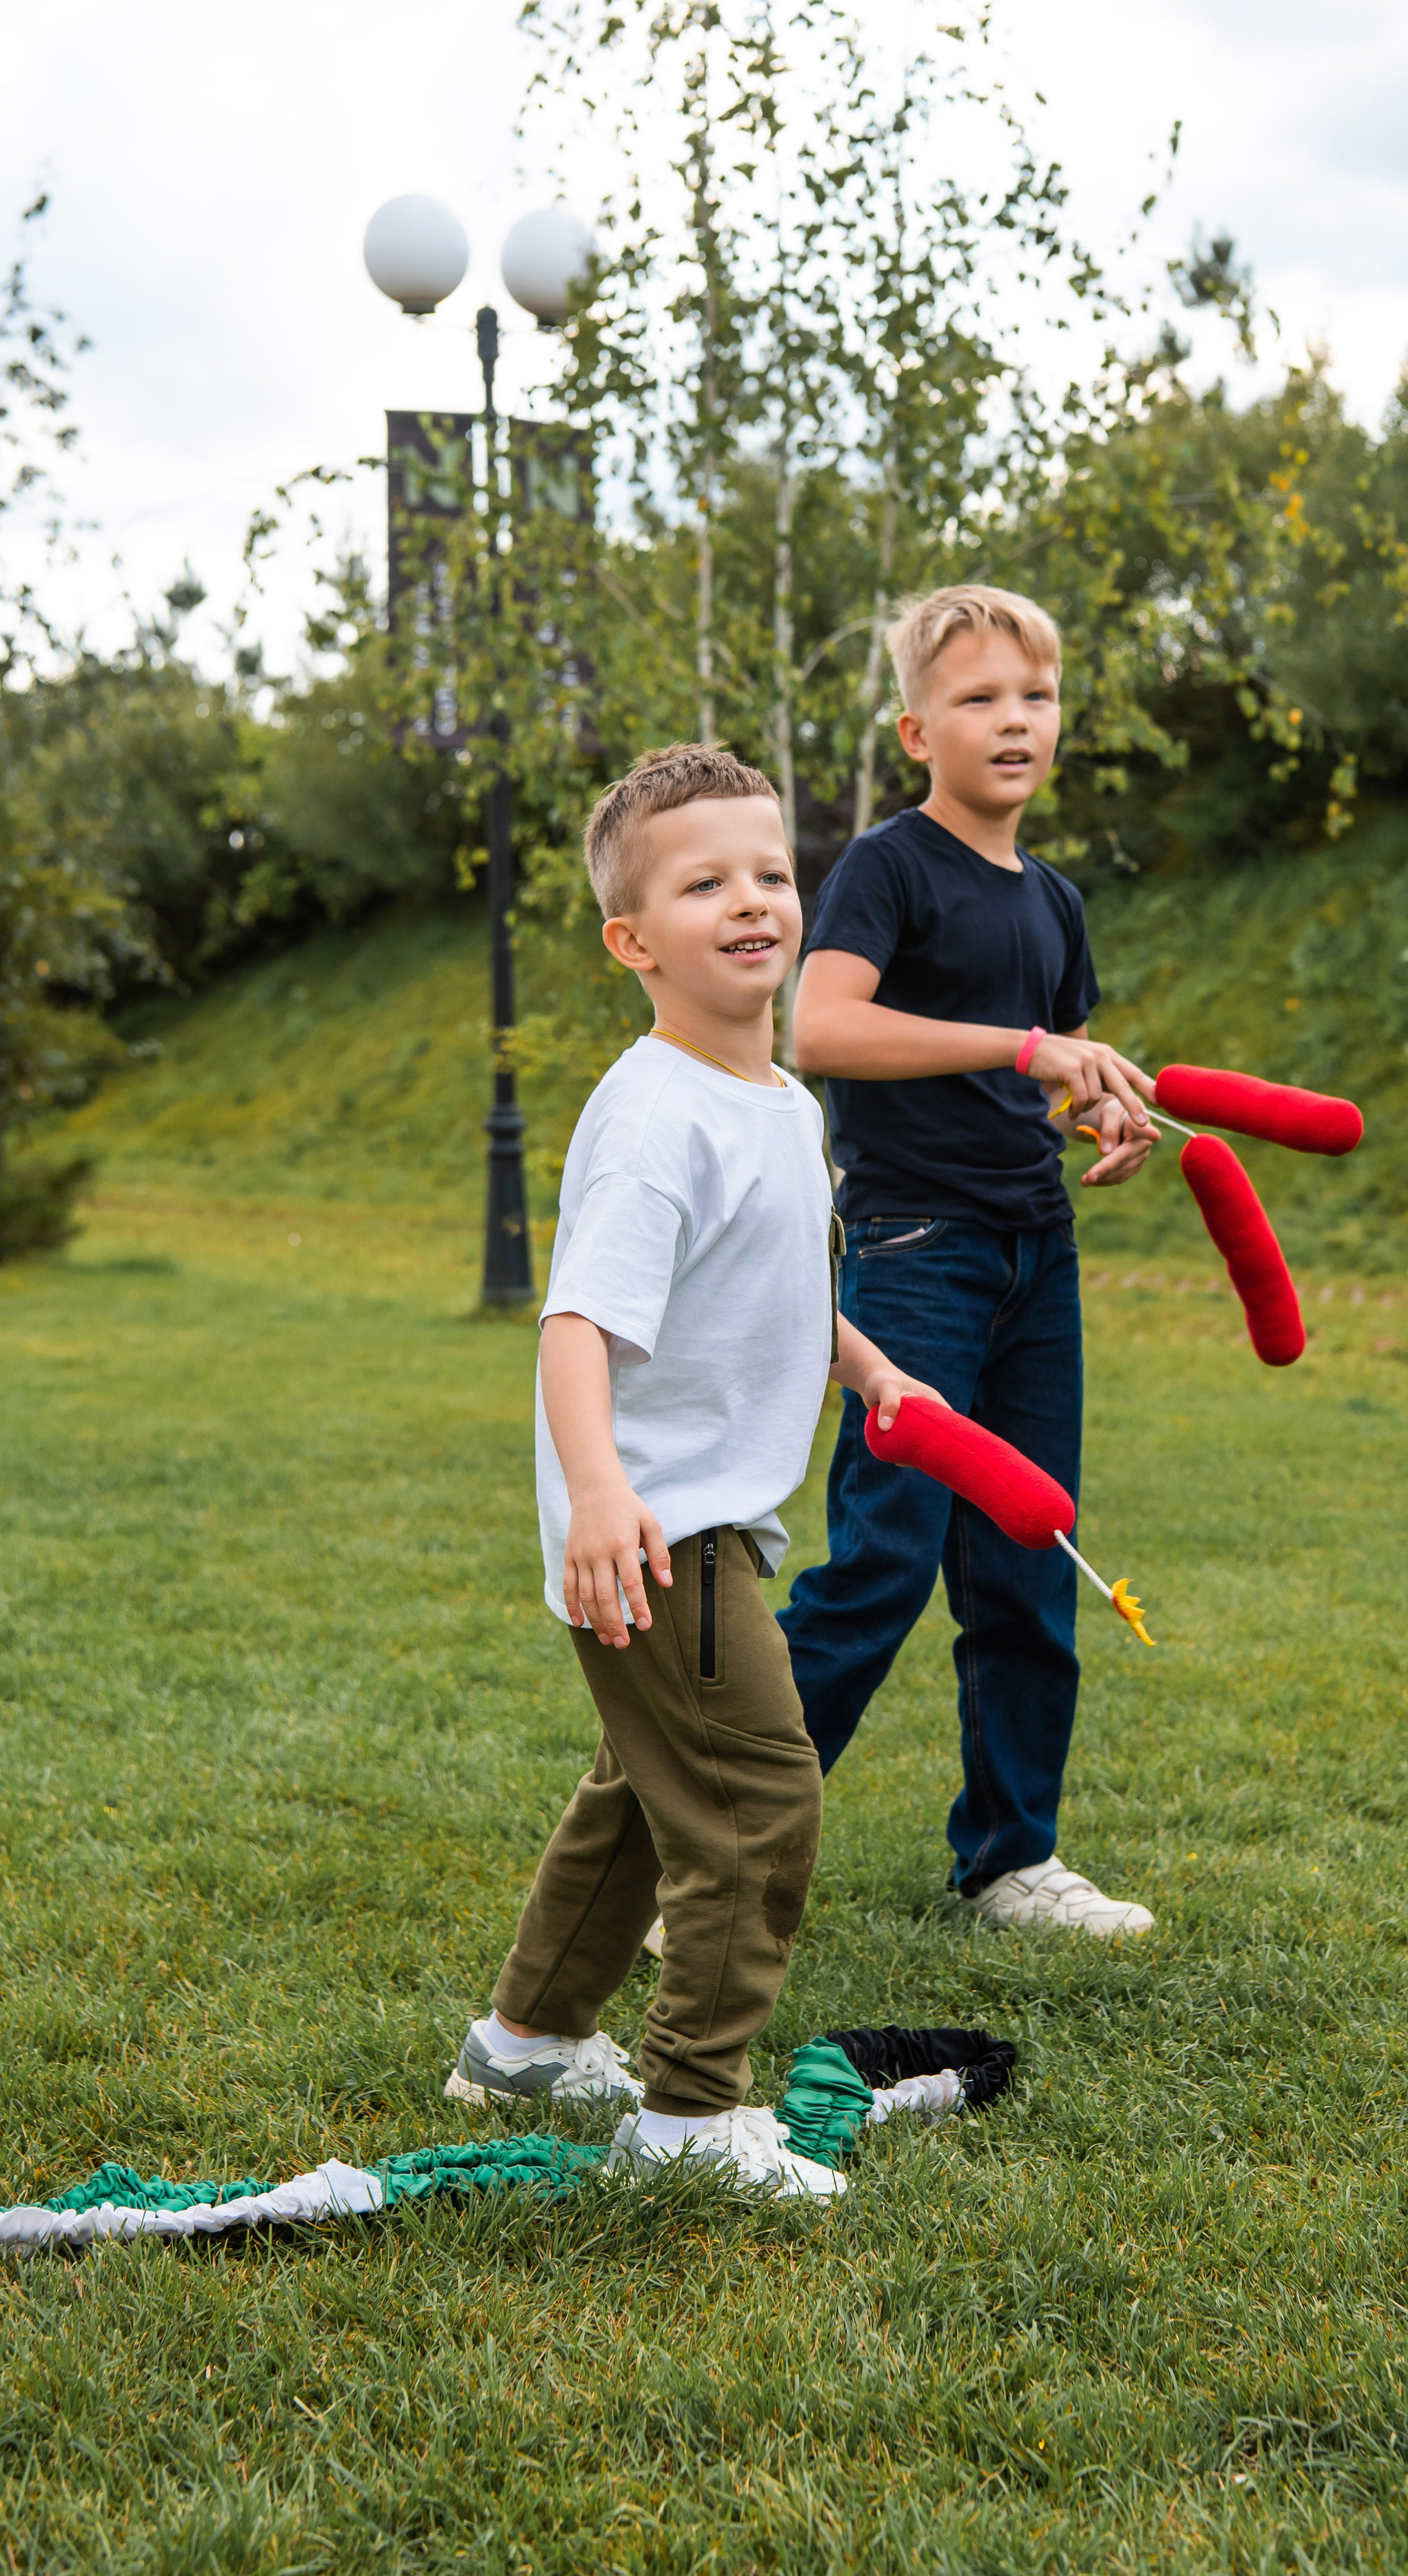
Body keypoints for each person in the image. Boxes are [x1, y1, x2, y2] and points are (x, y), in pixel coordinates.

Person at [446, 744, 941, 2200]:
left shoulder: (776, 1100)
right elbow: (577, 1323)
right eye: (702, 882)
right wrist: (602, 1492)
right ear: (631, 939)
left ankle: (524, 2041)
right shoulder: (657, 1117)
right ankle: (687, 2121)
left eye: (773, 874)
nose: (752, 902)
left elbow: (774, 1270)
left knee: (643, 1789)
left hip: (687, 1521)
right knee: (752, 1797)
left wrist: (859, 1363)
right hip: (664, 1529)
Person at [784, 585, 1160, 1938]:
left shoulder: (1050, 902)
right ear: (914, 729)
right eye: (978, 698)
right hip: (911, 1252)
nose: (1013, 720)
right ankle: (697, 1836)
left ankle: (1010, 1858)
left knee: (1027, 1554)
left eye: (1034, 696)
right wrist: (1023, 1051)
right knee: (880, 1564)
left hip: (1030, 1255)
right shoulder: (885, 868)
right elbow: (821, 1029)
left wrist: (1095, 1109)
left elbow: (1042, 1072)